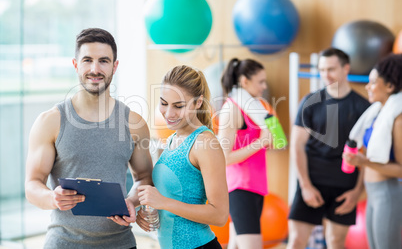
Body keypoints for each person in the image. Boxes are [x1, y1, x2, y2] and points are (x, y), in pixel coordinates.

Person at [25, 28, 153, 249]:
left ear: (115, 66)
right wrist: (52, 198)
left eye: (103, 61)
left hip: (121, 243)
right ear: (76, 65)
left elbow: (144, 178)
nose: (95, 69)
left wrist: (131, 202)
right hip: (63, 243)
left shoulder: (135, 123)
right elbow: (32, 184)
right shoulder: (50, 121)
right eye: (87, 60)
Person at [137, 65, 229, 249]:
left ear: (198, 102)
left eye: (178, 106)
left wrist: (164, 202)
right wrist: (152, 211)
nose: (169, 113)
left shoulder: (204, 143)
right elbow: (176, 197)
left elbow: (220, 215)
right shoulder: (172, 139)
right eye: (163, 103)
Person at [287, 48, 370, 249]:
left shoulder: (363, 107)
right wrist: (305, 185)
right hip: (311, 181)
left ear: (346, 68)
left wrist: (357, 192)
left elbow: (367, 156)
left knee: (335, 241)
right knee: (297, 240)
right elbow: (297, 145)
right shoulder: (310, 102)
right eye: (322, 69)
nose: (325, 75)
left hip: (344, 186)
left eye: (331, 69)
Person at [344, 54, 402, 249]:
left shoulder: (398, 119)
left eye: (373, 82)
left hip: (387, 194)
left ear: (390, 87)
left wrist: (364, 162)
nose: (367, 87)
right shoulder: (377, 113)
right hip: (372, 193)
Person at [218, 58, 275, 249]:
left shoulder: (258, 107)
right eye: (260, 82)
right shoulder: (232, 110)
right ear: (244, 81)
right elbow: (223, 157)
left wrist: (269, 138)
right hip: (240, 187)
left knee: (235, 245)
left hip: (256, 187)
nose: (264, 86)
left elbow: (277, 141)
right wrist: (261, 142)